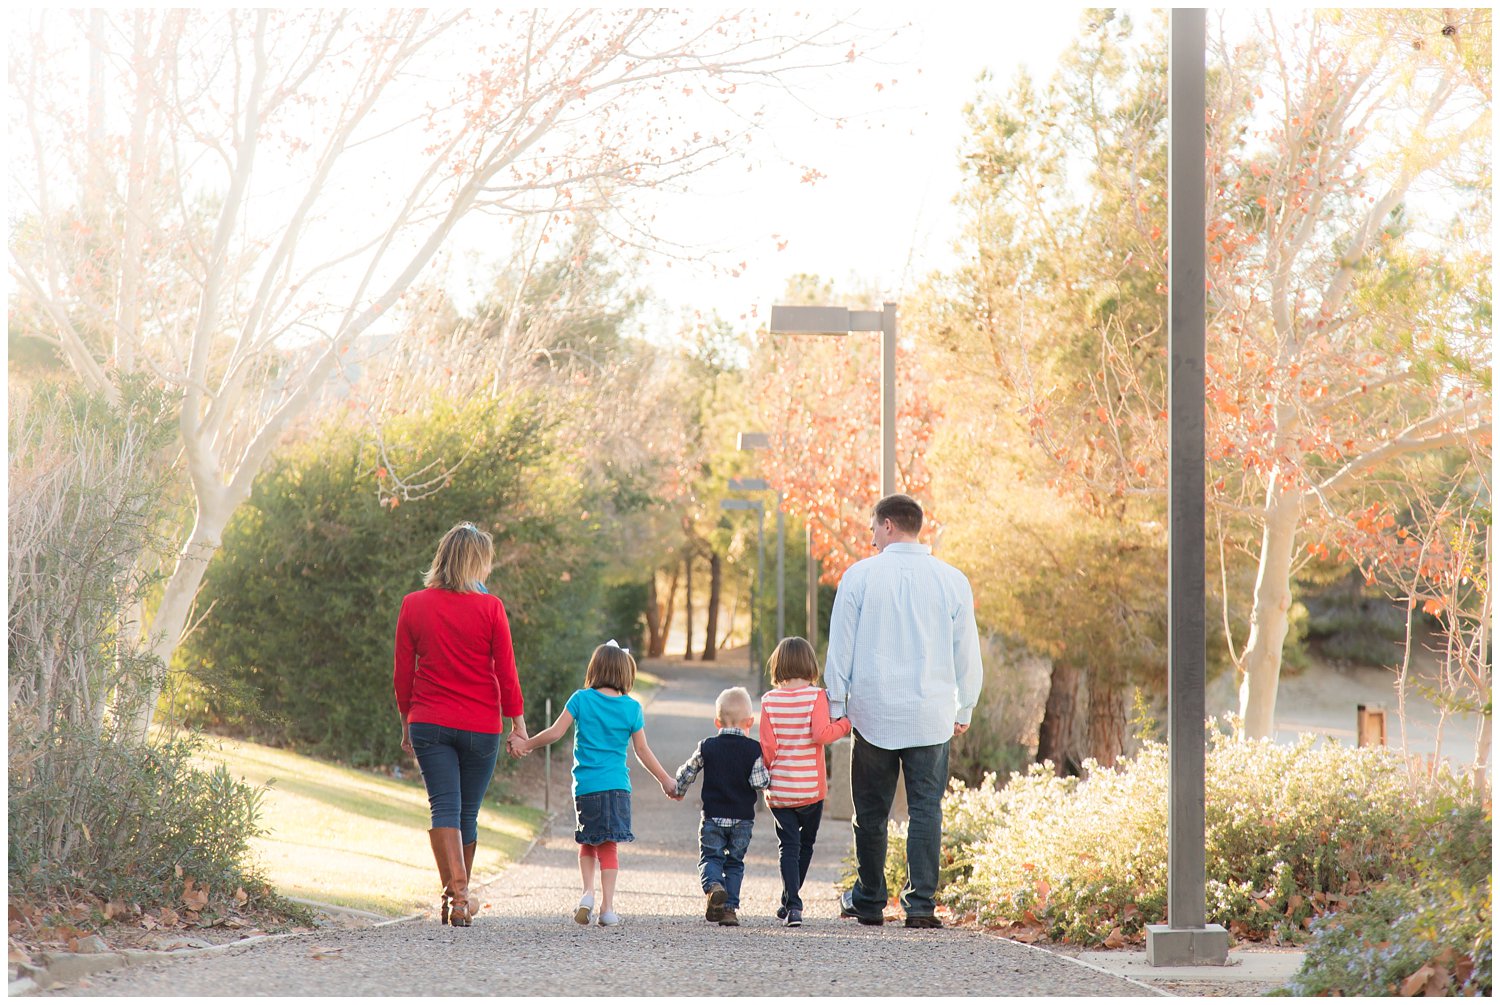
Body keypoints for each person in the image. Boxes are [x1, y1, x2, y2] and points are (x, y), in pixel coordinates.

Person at [826, 494, 983, 929]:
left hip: (873, 713)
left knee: (871, 813)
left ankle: (871, 901)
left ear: (889, 525)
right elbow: (966, 649)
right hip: (932, 714)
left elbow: (841, 646)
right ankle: (920, 906)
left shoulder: (858, 577)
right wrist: (965, 701)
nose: (872, 536)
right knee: (926, 810)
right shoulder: (952, 580)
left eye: (874, 527)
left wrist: (837, 703)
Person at [394, 521, 527, 927]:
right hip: (481, 725)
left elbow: (403, 674)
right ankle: (460, 897)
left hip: (429, 720)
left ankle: (456, 897)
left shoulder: (413, 604)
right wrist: (517, 724)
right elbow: (507, 672)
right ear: (476, 563)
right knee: (466, 812)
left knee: (445, 809)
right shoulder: (491, 608)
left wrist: (406, 722)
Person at [512, 641, 678, 927]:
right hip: (617, 788)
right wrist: (665, 780)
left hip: (586, 788)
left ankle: (587, 894)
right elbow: (642, 751)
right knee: (609, 846)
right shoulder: (632, 708)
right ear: (626, 672)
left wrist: (528, 744)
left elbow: (555, 733)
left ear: (595, 668)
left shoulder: (580, 699)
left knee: (587, 842)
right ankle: (608, 908)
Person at [758, 637, 852, 927]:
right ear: (810, 665)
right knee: (806, 844)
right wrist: (846, 724)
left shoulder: (769, 700)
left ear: (779, 664)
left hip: (781, 790)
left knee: (787, 845)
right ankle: (793, 900)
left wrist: (772, 774)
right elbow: (822, 734)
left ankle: (791, 902)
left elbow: (767, 747)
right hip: (811, 790)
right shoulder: (817, 697)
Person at [673, 686, 771, 927]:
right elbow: (759, 782)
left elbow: (687, 772)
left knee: (710, 857)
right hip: (743, 819)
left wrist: (678, 789)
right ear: (750, 721)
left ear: (717, 721)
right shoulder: (753, 749)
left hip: (713, 817)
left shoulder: (707, 746)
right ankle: (729, 910)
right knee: (735, 863)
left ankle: (714, 885)